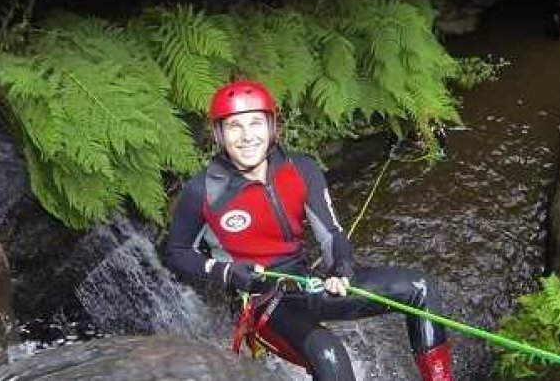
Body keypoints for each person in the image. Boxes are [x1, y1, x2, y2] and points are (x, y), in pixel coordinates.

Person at [164, 80, 454, 381]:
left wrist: (340, 267)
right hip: (262, 302)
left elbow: (332, 234)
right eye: (234, 126)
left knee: (420, 288)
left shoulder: (301, 169)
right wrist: (226, 272)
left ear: (272, 127)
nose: (247, 136)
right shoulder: (204, 191)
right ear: (219, 134)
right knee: (330, 354)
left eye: (255, 123)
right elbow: (177, 253)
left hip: (306, 284)